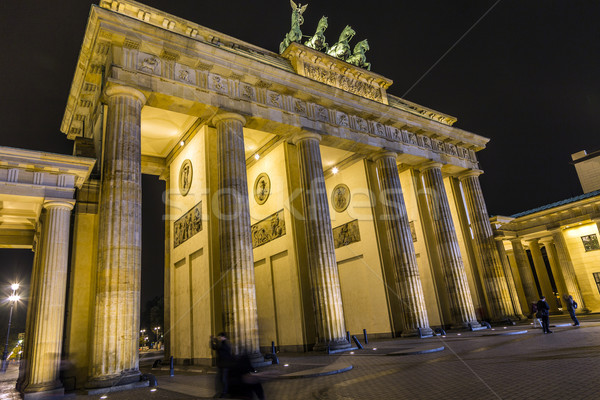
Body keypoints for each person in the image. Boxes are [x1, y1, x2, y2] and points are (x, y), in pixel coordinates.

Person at [211, 332, 233, 398]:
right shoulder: (221, 344)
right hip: (221, 365)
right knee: (221, 379)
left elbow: (223, 349)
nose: (219, 338)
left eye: (220, 337)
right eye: (219, 337)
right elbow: (214, 348)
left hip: (225, 365)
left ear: (224, 337)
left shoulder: (226, 344)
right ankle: (223, 391)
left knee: (224, 379)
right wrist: (212, 340)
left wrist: (217, 341)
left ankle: (224, 392)